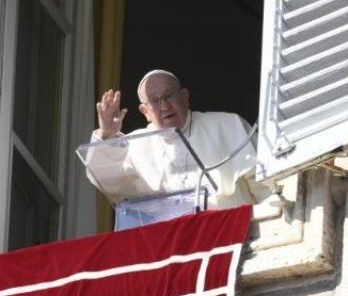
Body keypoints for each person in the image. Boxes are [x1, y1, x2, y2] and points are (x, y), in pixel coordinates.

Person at [86, 69, 261, 209]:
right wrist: (107, 135)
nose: (164, 106)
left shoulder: (227, 125)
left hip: (234, 234)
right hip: (169, 244)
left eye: (169, 96)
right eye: (154, 101)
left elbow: (264, 183)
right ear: (145, 112)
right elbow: (109, 184)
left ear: (185, 97)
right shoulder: (135, 145)